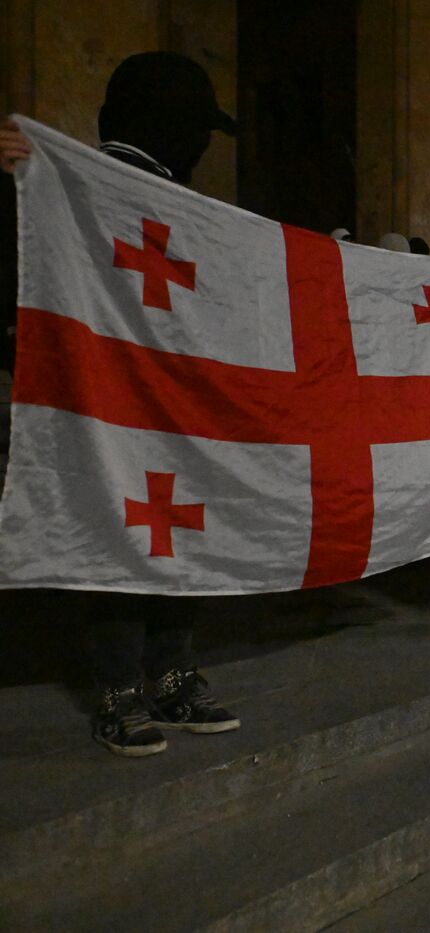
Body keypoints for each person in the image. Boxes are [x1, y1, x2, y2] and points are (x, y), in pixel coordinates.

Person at [1, 52, 241, 756]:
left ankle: (166, 668)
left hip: (163, 400)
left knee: (166, 522)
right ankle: (121, 683)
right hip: (95, 396)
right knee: (118, 524)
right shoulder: (58, 183)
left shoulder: (174, 204)